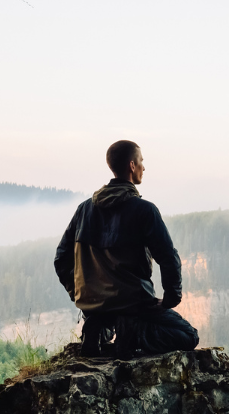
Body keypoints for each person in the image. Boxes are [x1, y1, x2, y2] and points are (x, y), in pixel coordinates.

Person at [54, 140, 199, 357]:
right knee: (188, 336)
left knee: (105, 318)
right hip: (133, 303)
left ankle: (99, 327)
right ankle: (133, 333)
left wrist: (79, 295)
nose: (143, 167)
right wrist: (170, 299)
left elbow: (61, 258)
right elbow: (168, 258)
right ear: (132, 166)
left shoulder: (84, 209)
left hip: (95, 305)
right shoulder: (144, 210)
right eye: (141, 162)